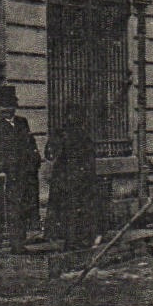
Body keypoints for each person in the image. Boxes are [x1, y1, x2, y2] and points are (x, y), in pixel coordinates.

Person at [0, 84, 40, 254]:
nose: (7, 109)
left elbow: (30, 146)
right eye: (4, 106)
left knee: (18, 210)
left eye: (10, 106)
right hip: (0, 176)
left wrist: (31, 163)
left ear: (15, 106)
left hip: (19, 175)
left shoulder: (22, 123)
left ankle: (17, 244)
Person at [45, 103, 105, 251]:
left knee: (77, 211)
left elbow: (89, 158)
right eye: (71, 115)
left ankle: (76, 240)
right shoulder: (62, 134)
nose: (73, 118)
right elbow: (50, 154)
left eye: (76, 116)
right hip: (68, 179)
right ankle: (71, 241)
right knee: (70, 211)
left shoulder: (82, 135)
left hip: (79, 179)